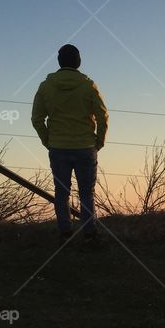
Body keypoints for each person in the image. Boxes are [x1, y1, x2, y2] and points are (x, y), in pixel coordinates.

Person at [31, 44, 108, 243]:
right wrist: (98, 141)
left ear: (59, 62)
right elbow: (102, 115)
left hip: (58, 148)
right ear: (78, 62)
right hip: (85, 147)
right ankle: (89, 233)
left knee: (61, 192)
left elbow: (36, 118)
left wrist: (47, 140)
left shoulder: (46, 86)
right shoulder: (87, 85)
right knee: (86, 193)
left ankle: (65, 233)